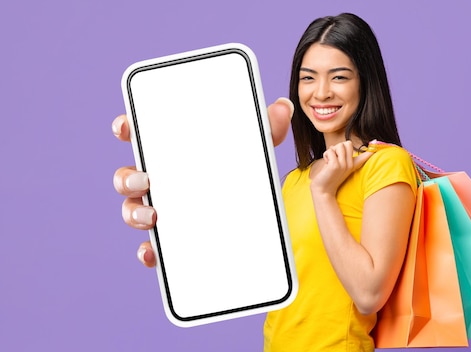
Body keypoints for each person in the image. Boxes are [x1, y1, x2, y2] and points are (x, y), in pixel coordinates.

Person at [113, 13, 417, 352]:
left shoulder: (386, 164)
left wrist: (324, 193)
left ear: (365, 82)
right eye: (308, 78)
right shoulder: (296, 181)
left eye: (339, 77)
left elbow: (368, 295)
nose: (321, 92)